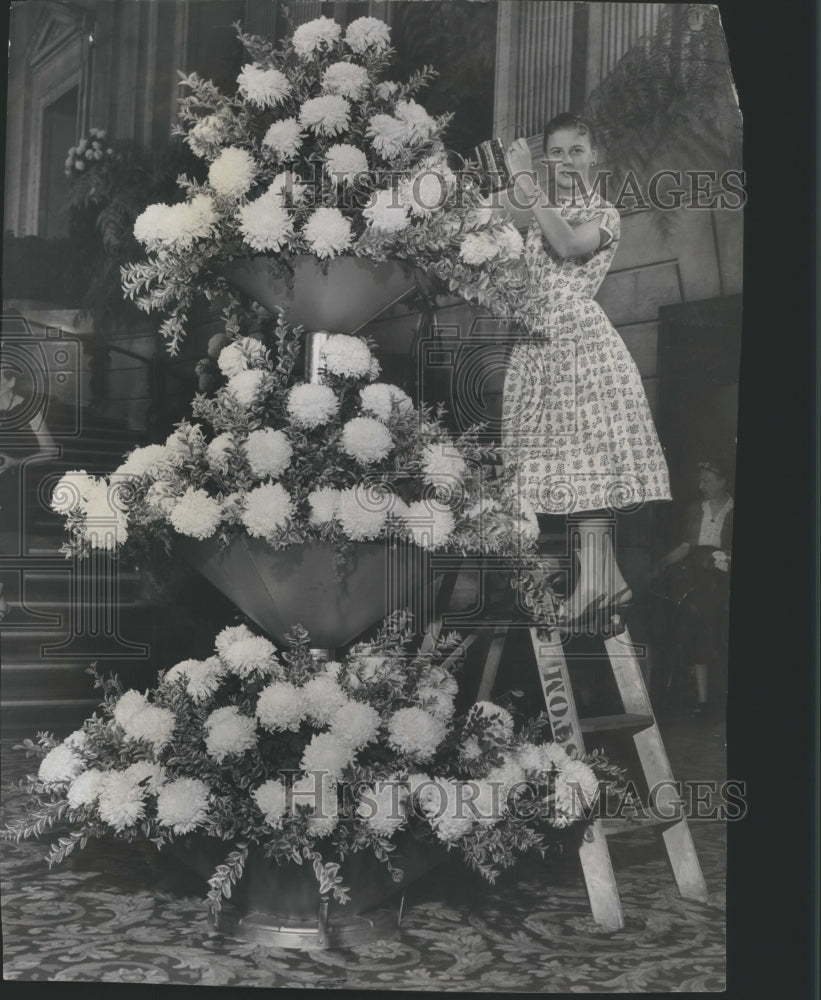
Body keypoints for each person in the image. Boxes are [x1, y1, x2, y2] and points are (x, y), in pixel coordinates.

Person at [491, 112, 671, 625]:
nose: (567, 161)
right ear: (547, 157)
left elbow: (569, 245)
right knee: (559, 465)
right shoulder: (543, 209)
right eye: (557, 153)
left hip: (577, 345)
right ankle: (605, 578)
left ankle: (600, 580)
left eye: (577, 151)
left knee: (584, 460)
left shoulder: (603, 212)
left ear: (594, 157)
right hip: (536, 346)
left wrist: (525, 181)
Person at [651, 460, 733, 716]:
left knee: (717, 633)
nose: (701, 486)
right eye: (700, 480)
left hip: (724, 579)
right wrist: (662, 564)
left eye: (706, 480)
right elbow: (686, 546)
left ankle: (718, 698)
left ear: (722, 483)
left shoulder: (733, 509)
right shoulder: (696, 509)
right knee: (695, 632)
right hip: (698, 577)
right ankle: (702, 701)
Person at [0, 357, 57, 614]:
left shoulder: (27, 410)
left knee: (9, 540)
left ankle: (1, 595)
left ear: (11, 381)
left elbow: (51, 451)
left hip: (14, 487)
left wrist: (16, 461)